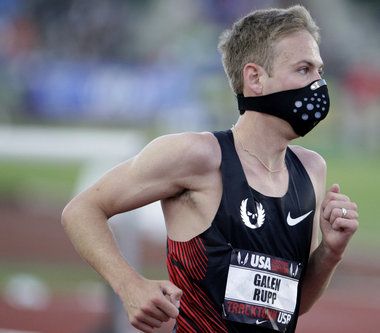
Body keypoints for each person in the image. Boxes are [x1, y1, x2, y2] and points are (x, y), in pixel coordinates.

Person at [61, 5, 359, 333]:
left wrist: (330, 252)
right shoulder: (199, 156)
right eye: (304, 70)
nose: (319, 84)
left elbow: (290, 306)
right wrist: (129, 285)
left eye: (319, 70)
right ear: (255, 78)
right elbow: (81, 210)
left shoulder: (310, 169)